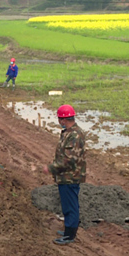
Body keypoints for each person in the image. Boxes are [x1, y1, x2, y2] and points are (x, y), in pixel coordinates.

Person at [43, 104, 86, 245]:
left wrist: (51, 168)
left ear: (63, 120)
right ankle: (68, 229)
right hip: (67, 176)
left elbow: (69, 160)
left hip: (70, 177)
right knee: (68, 205)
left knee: (70, 207)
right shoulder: (69, 133)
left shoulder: (73, 135)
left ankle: (69, 235)